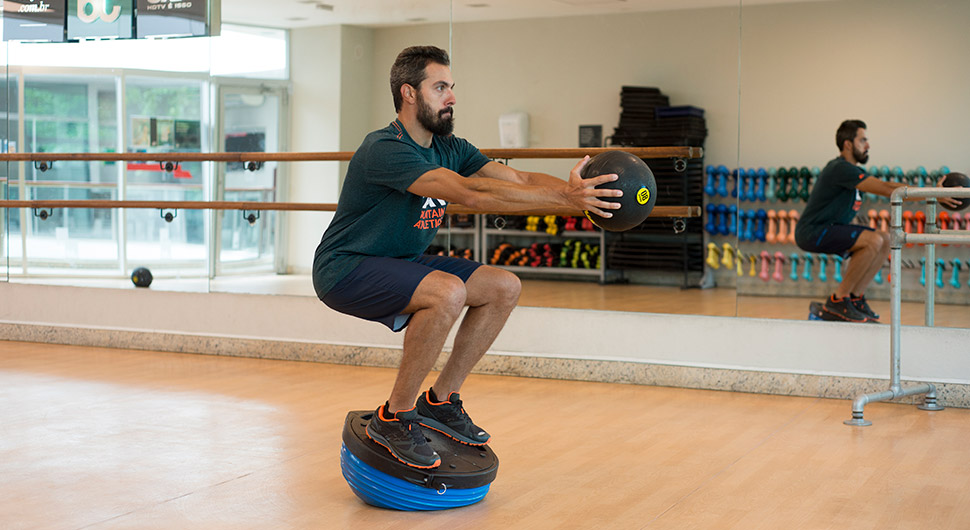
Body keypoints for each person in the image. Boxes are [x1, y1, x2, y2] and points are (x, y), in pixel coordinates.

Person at [312, 45, 621, 469]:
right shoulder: (384, 147)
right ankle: (394, 416)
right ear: (409, 94)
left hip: (402, 262)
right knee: (447, 292)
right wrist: (565, 197)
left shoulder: (450, 147)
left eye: (452, 87)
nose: (452, 97)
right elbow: (471, 194)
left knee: (503, 286)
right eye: (440, 87)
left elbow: (520, 177)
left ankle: (439, 402)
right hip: (345, 267)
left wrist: (582, 195)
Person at [795, 119, 959, 323]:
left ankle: (854, 299)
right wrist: (932, 193)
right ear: (848, 144)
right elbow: (888, 189)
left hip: (829, 228)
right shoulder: (840, 168)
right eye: (862, 140)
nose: (868, 145)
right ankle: (838, 300)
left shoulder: (852, 172)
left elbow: (887, 188)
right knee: (873, 241)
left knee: (885, 239)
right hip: (813, 231)